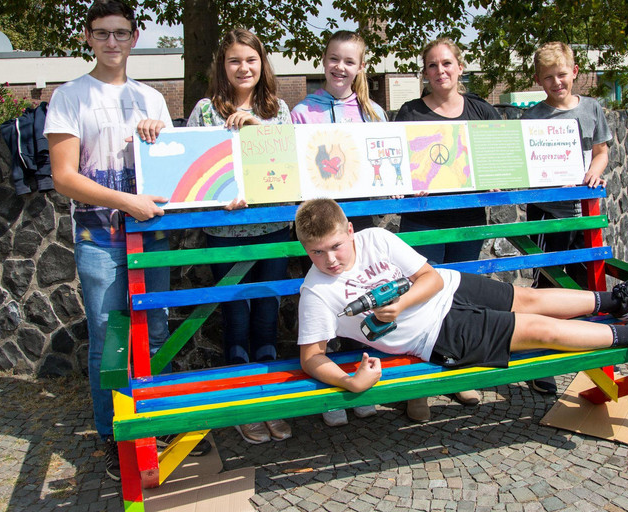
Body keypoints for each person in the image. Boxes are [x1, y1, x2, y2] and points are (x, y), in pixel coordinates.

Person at [295, 199, 628, 408]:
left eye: (336, 246)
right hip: (437, 334)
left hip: (450, 288)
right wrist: (350, 381)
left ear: (349, 229)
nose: (330, 260)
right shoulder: (317, 293)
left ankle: (616, 300)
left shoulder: (375, 239)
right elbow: (311, 357)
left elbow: (431, 278)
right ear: (305, 250)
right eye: (317, 253)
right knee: (541, 331)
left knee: (531, 298)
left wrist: (398, 306)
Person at [43, 0, 210, 482]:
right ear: (89, 38)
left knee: (154, 331)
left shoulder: (152, 98)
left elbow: (173, 165)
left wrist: (159, 135)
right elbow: (64, 177)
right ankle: (114, 435)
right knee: (107, 340)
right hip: (101, 237)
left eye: (120, 33)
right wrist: (125, 201)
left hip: (150, 235)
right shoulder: (70, 96)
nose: (111, 42)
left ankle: (148, 424)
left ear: (134, 38)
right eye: (102, 33)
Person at [186, 28, 292, 445]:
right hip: (225, 231)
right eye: (234, 60)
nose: (243, 67)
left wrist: (257, 131)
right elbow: (194, 176)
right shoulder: (205, 111)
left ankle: (270, 403)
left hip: (274, 230)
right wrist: (216, 198)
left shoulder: (279, 109)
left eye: (251, 59)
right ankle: (245, 407)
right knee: (235, 316)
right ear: (222, 66)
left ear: (262, 63)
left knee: (268, 314)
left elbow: (287, 167)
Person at [393, 38, 502, 418]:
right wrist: (407, 181)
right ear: (424, 73)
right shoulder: (409, 112)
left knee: (464, 296)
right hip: (422, 218)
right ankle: (417, 385)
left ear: (460, 67)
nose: (441, 71)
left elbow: (499, 158)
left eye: (447, 64)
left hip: (466, 220)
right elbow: (396, 165)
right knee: (418, 295)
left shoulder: (482, 111)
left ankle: (458, 374)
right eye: (433, 65)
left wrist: (495, 178)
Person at [290, 30, 387, 427]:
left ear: (361, 67)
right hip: (319, 226)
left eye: (349, 61)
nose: (340, 67)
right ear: (324, 60)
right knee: (322, 308)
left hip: (357, 223)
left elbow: (385, 162)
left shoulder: (373, 112)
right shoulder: (302, 112)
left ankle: (358, 378)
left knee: (359, 303)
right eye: (334, 59)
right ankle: (331, 392)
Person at [520, 41, 614, 395]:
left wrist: (594, 171)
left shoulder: (591, 109)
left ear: (574, 73)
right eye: (548, 78)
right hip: (549, 214)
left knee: (586, 285)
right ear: (538, 80)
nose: (557, 83)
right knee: (547, 286)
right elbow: (524, 165)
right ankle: (541, 358)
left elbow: (602, 151)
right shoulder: (532, 117)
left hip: (585, 213)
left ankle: (583, 349)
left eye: (562, 75)